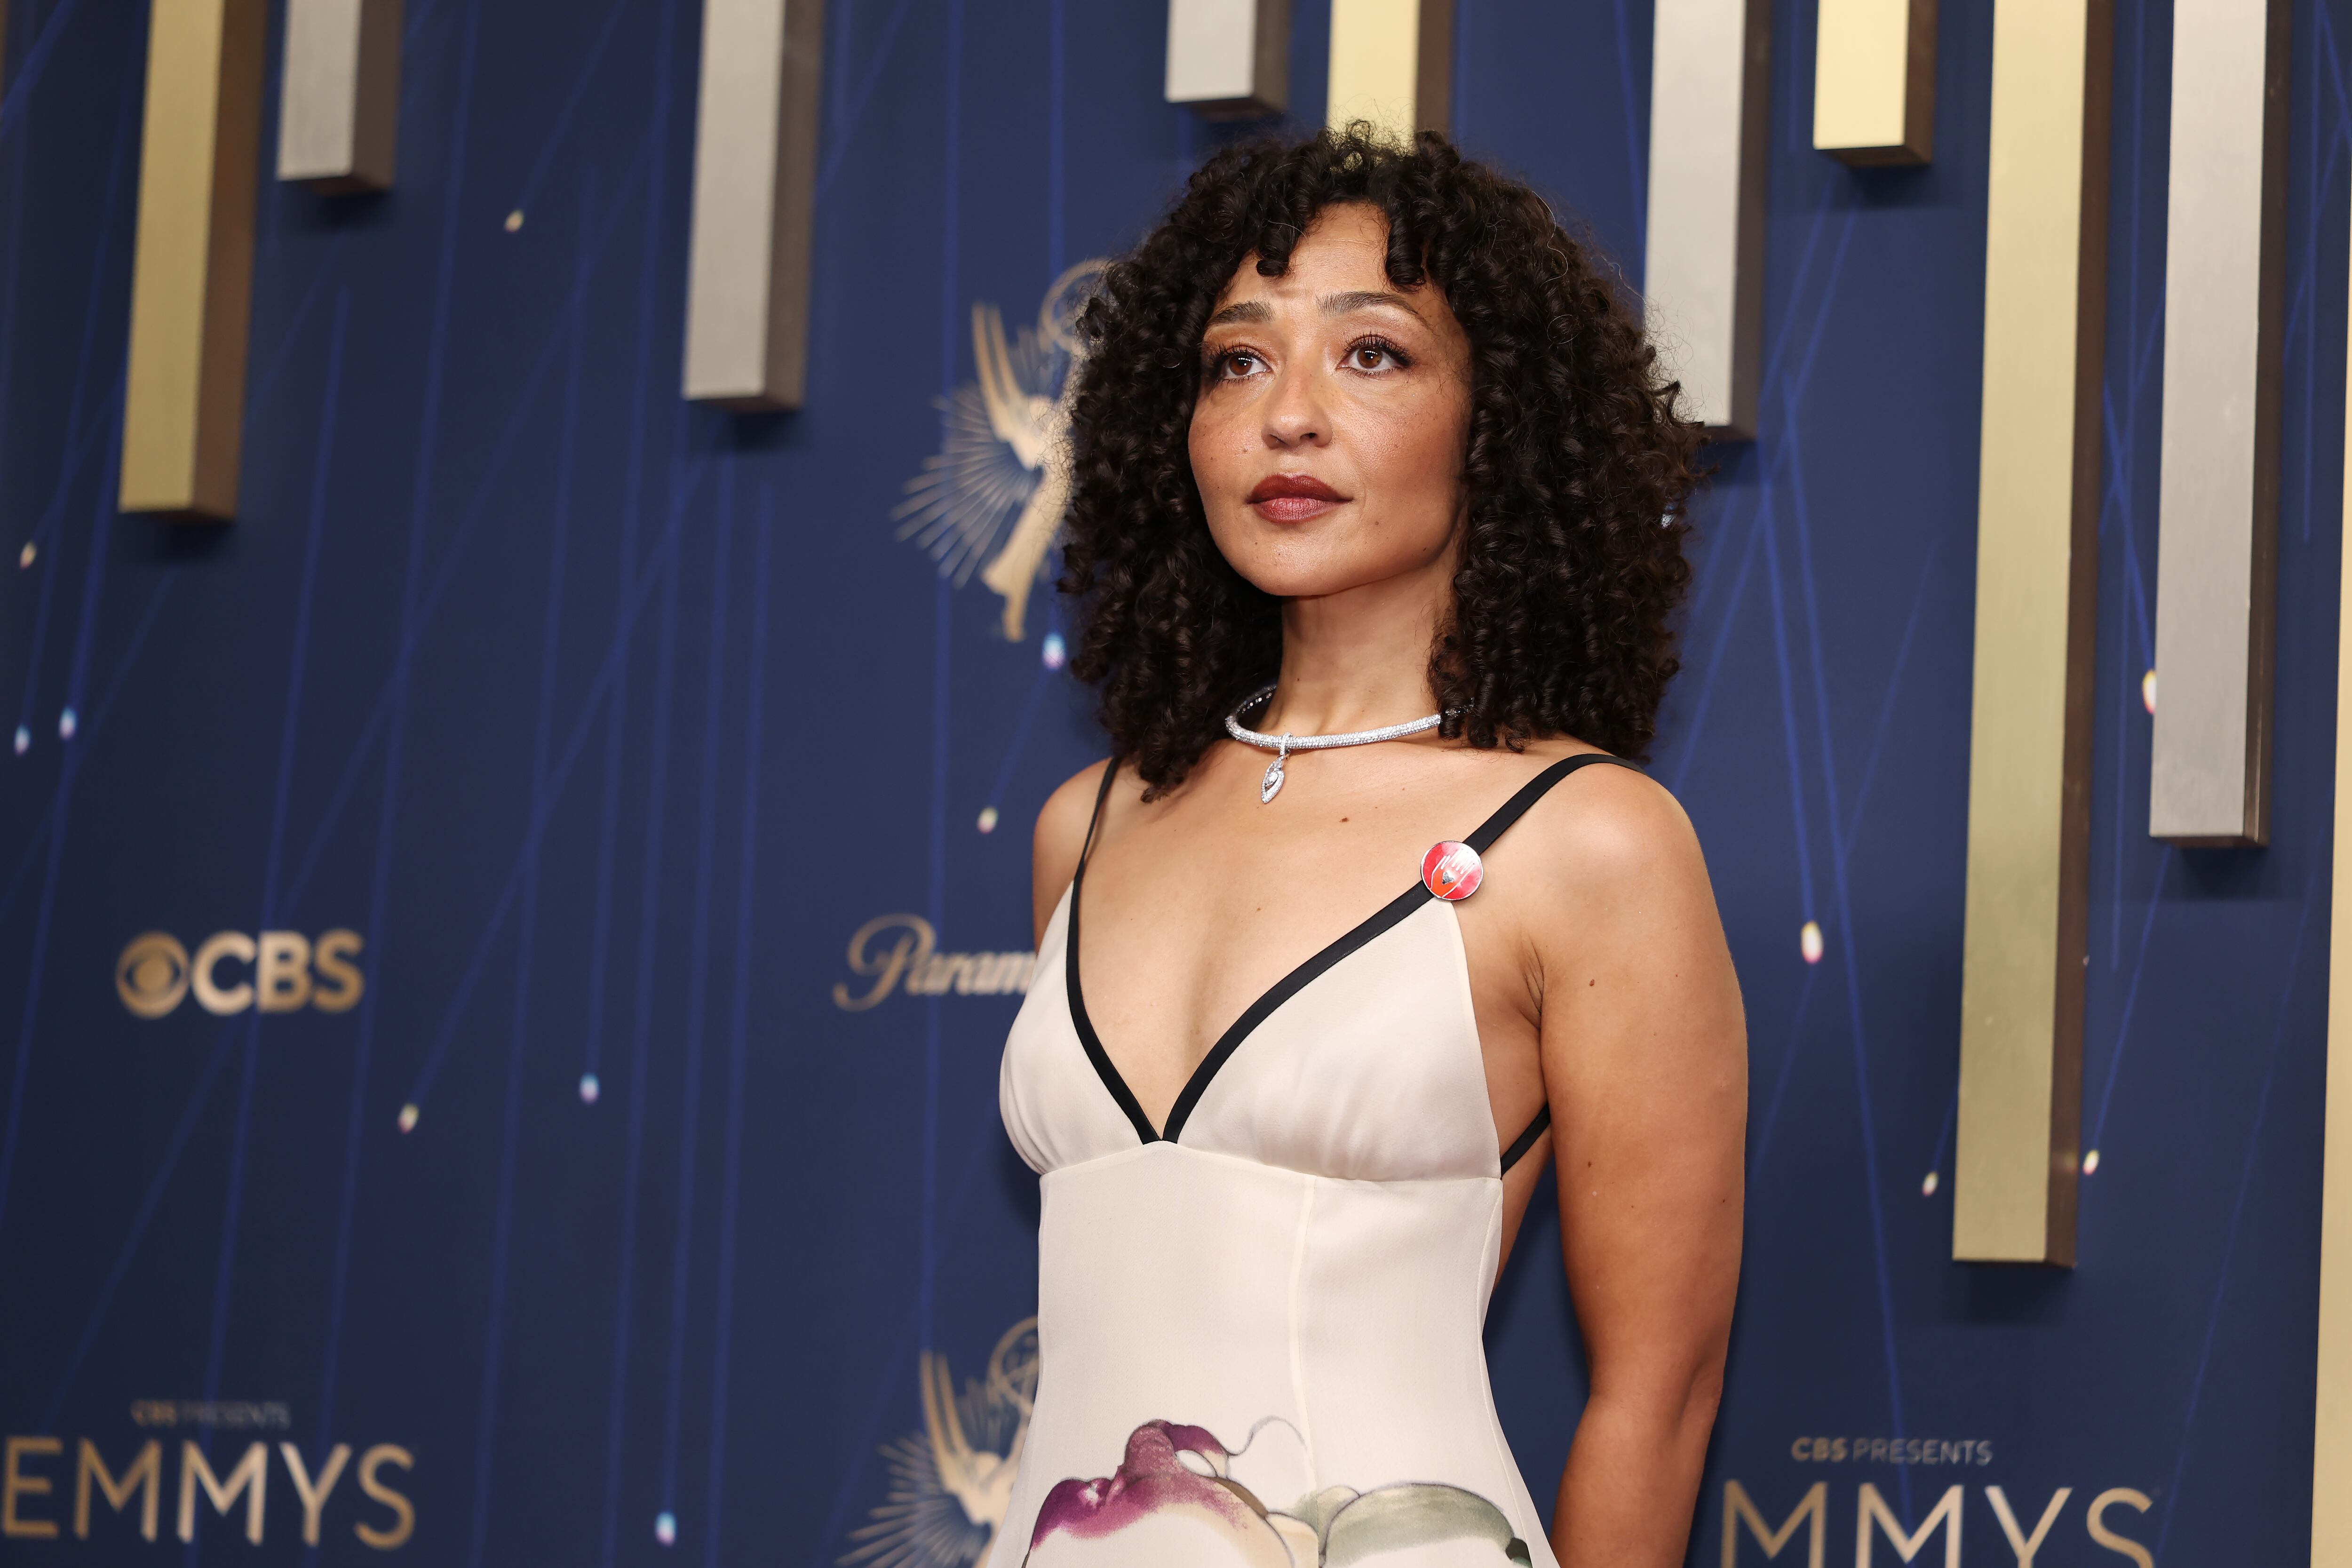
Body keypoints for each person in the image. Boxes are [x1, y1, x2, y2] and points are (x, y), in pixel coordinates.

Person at [990, 128, 1746, 1568]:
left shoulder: (1588, 842)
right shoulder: (1084, 826)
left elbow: (1658, 1398)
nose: (1289, 416)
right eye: (1237, 360)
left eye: (1374, 354)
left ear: (1497, 423)